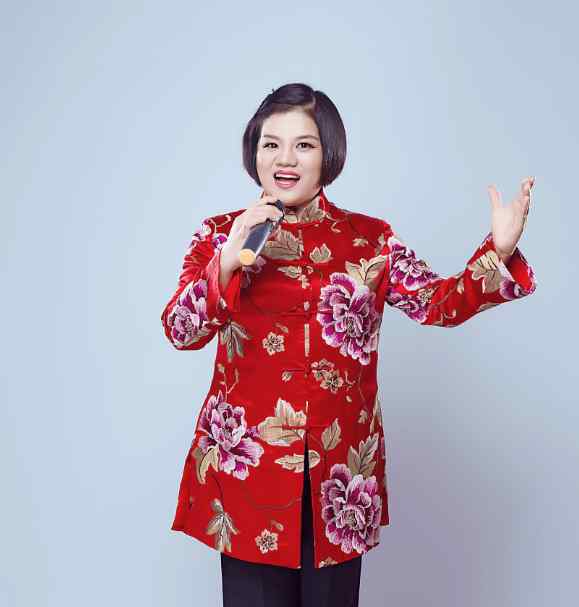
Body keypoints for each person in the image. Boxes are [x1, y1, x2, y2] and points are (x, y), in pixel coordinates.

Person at [160, 83, 537, 607]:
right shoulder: (219, 234)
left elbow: (438, 303)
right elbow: (181, 330)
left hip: (339, 481)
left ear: (329, 153)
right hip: (248, 477)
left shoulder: (370, 240)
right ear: (253, 152)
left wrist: (499, 249)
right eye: (271, 144)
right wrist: (227, 261)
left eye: (304, 144)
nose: (285, 159)